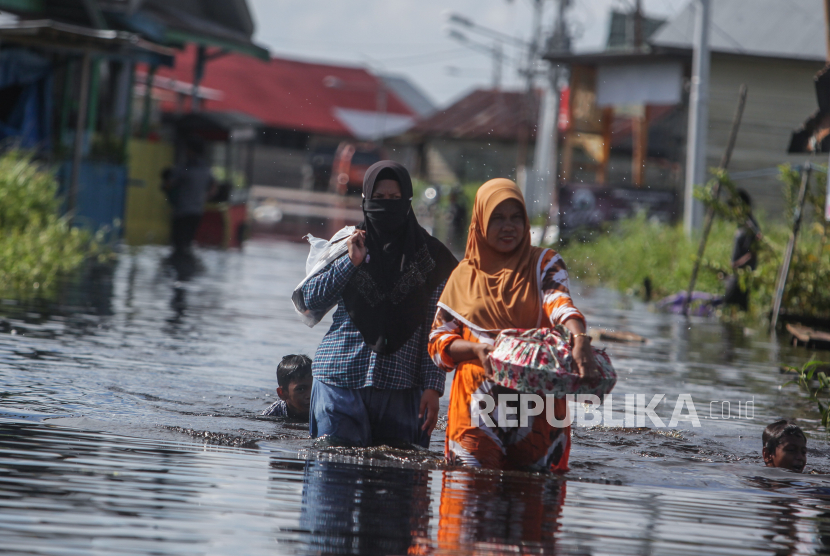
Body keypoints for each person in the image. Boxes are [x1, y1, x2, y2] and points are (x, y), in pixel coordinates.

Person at [428, 178, 597, 472]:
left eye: (515, 217)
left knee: (532, 504)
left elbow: (559, 302)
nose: (508, 226)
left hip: (538, 407)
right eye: (497, 218)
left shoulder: (544, 263)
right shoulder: (463, 275)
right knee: (468, 501)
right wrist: (477, 350)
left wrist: (579, 337)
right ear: (480, 222)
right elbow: (437, 343)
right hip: (476, 404)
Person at [299, 161, 457, 448]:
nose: (387, 207)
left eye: (395, 200)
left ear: (408, 201)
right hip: (339, 380)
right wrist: (349, 263)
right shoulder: (347, 244)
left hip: (402, 388)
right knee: (332, 475)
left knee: (397, 483)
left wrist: (433, 387)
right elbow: (311, 301)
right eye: (379, 199)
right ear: (365, 201)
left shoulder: (434, 259)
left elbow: (439, 328)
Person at [162, 135, 216, 258]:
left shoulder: (184, 168)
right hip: (197, 212)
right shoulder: (206, 169)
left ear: (191, 150)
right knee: (187, 243)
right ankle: (187, 269)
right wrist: (204, 196)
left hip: (182, 212)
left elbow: (169, 185)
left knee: (178, 245)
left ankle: (180, 270)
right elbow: (213, 186)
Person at [724, 189, 761, 311]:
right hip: (735, 279)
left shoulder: (751, 227)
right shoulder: (743, 225)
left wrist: (736, 265)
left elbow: (753, 253)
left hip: (741, 281)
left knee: (735, 310)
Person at [262, 354, 313, 420]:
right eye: (301, 389)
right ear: (282, 393)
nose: (311, 395)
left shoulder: (325, 408)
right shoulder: (272, 414)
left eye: (314, 387)